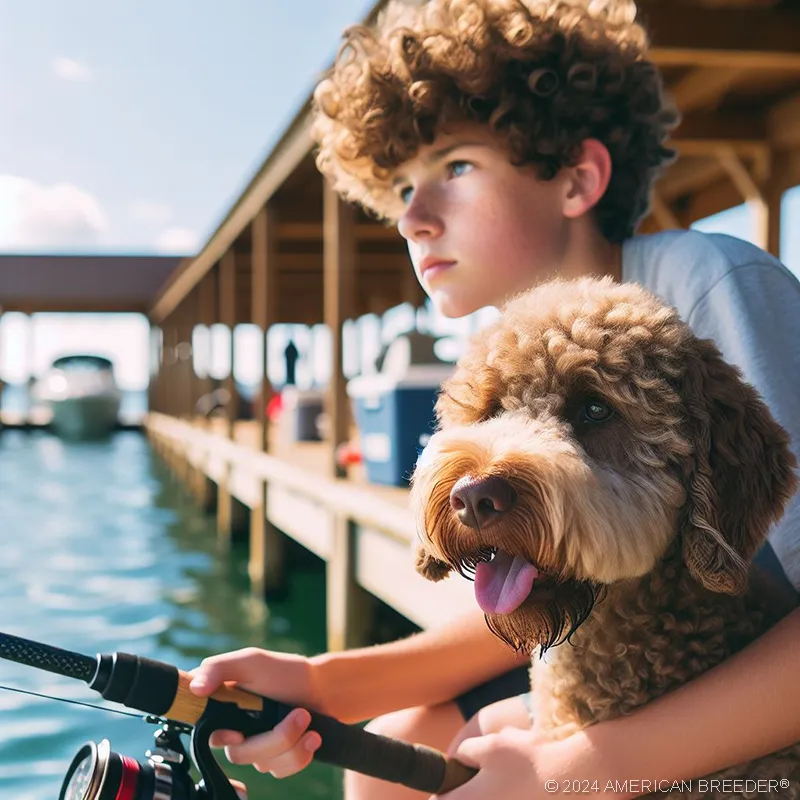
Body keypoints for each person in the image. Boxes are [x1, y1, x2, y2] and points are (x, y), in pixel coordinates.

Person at [189, 1, 800, 797]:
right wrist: (320, 686)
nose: (412, 216)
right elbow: (540, 597)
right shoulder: (508, 355)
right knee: (403, 738)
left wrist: (577, 772)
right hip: (626, 674)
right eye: (402, 185)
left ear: (579, 177)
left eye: (456, 167)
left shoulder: (706, 284)